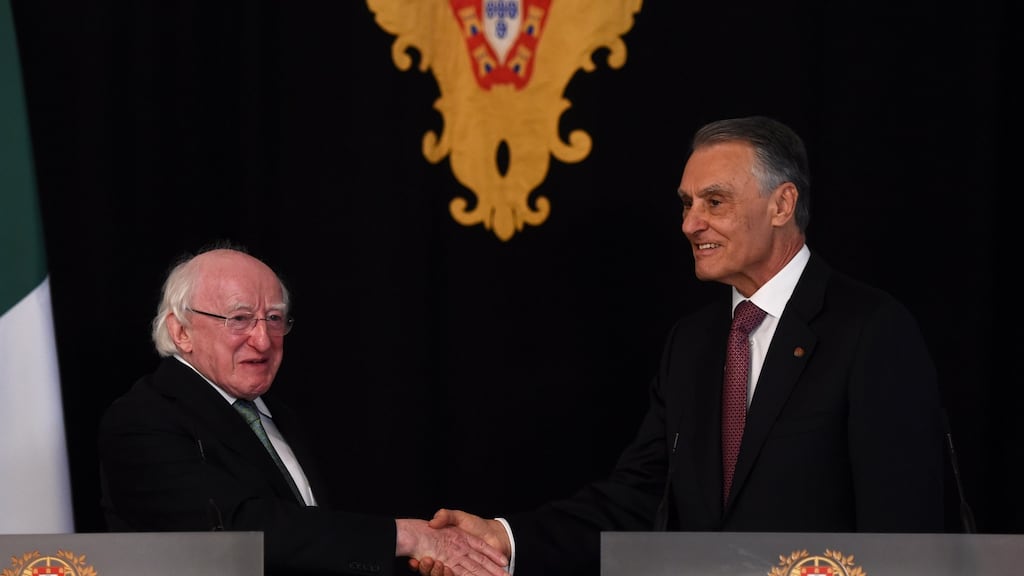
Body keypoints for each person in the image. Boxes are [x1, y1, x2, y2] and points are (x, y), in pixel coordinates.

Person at [414, 115, 946, 576]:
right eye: (687, 204)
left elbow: (902, 540)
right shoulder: (693, 344)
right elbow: (640, 499)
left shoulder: (870, 329)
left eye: (715, 201)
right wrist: (504, 538)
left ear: (783, 203)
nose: (691, 223)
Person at [97, 243, 508, 576]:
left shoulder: (279, 414)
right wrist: (408, 538)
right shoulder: (141, 422)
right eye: (240, 319)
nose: (263, 339)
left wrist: (419, 555)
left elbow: (315, 538)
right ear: (181, 331)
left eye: (274, 318)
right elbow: (240, 531)